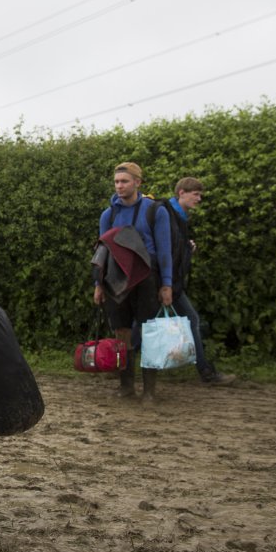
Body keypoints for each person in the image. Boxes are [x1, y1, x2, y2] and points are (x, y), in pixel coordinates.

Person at [93, 162, 173, 404]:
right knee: (122, 332)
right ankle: (126, 386)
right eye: (116, 182)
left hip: (147, 278)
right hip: (116, 280)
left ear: (137, 182)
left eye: (124, 181)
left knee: (149, 332)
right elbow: (102, 252)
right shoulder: (109, 214)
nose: (119, 186)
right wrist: (98, 284)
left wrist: (167, 284)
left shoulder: (155, 211)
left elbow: (164, 250)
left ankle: (149, 390)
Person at [162, 177, 236, 384]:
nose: (199, 198)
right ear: (181, 193)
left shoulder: (178, 216)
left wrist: (187, 247)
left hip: (170, 282)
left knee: (143, 325)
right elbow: (164, 250)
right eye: (196, 194)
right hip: (167, 283)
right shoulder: (168, 215)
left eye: (200, 194)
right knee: (189, 320)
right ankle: (206, 373)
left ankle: (119, 363)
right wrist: (165, 283)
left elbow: (174, 248)